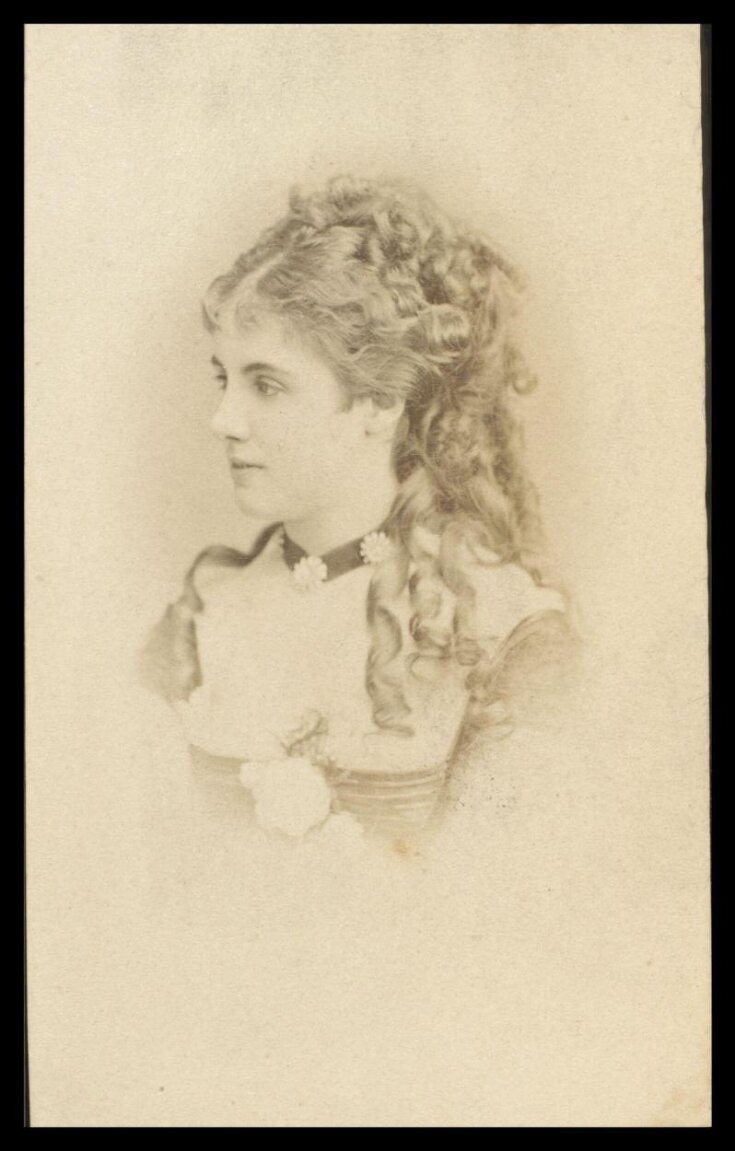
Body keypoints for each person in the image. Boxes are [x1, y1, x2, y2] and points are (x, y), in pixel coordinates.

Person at [141, 175, 579, 848]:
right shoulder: (202, 615)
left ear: (378, 403)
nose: (222, 420)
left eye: (266, 385)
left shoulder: (505, 629)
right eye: (224, 379)